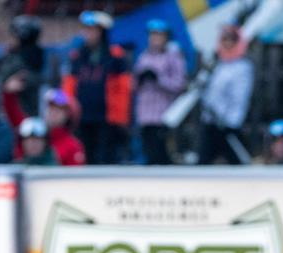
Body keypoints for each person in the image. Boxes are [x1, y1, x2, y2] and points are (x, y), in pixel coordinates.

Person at [62, 11, 132, 164]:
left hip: (107, 118)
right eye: (85, 29)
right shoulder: (77, 55)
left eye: (92, 29)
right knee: (86, 157)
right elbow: (69, 85)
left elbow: (123, 89)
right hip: (82, 117)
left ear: (101, 32)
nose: (87, 33)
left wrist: (120, 118)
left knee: (107, 158)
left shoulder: (115, 56)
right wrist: (68, 113)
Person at [133, 19, 186, 165]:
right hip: (145, 114)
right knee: (149, 153)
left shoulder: (173, 56)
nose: (155, 38)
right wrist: (140, 79)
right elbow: (134, 86)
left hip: (164, 114)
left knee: (161, 153)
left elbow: (179, 84)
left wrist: (159, 79)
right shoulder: (144, 56)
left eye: (159, 35)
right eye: (152, 35)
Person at [198, 24, 254, 165]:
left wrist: (231, 122)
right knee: (203, 163)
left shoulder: (242, 67)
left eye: (231, 40)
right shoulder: (217, 64)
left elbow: (240, 97)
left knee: (237, 163)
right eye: (224, 39)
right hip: (211, 123)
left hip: (228, 126)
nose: (227, 43)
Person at [0, 15, 47, 118]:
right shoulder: (12, 55)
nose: (11, 40)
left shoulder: (23, 60)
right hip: (15, 111)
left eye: (14, 37)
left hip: (22, 113)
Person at [43, 88, 86, 166]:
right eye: (51, 108)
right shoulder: (39, 137)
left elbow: (76, 176)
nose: (52, 113)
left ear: (68, 116)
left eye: (58, 110)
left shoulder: (73, 146)